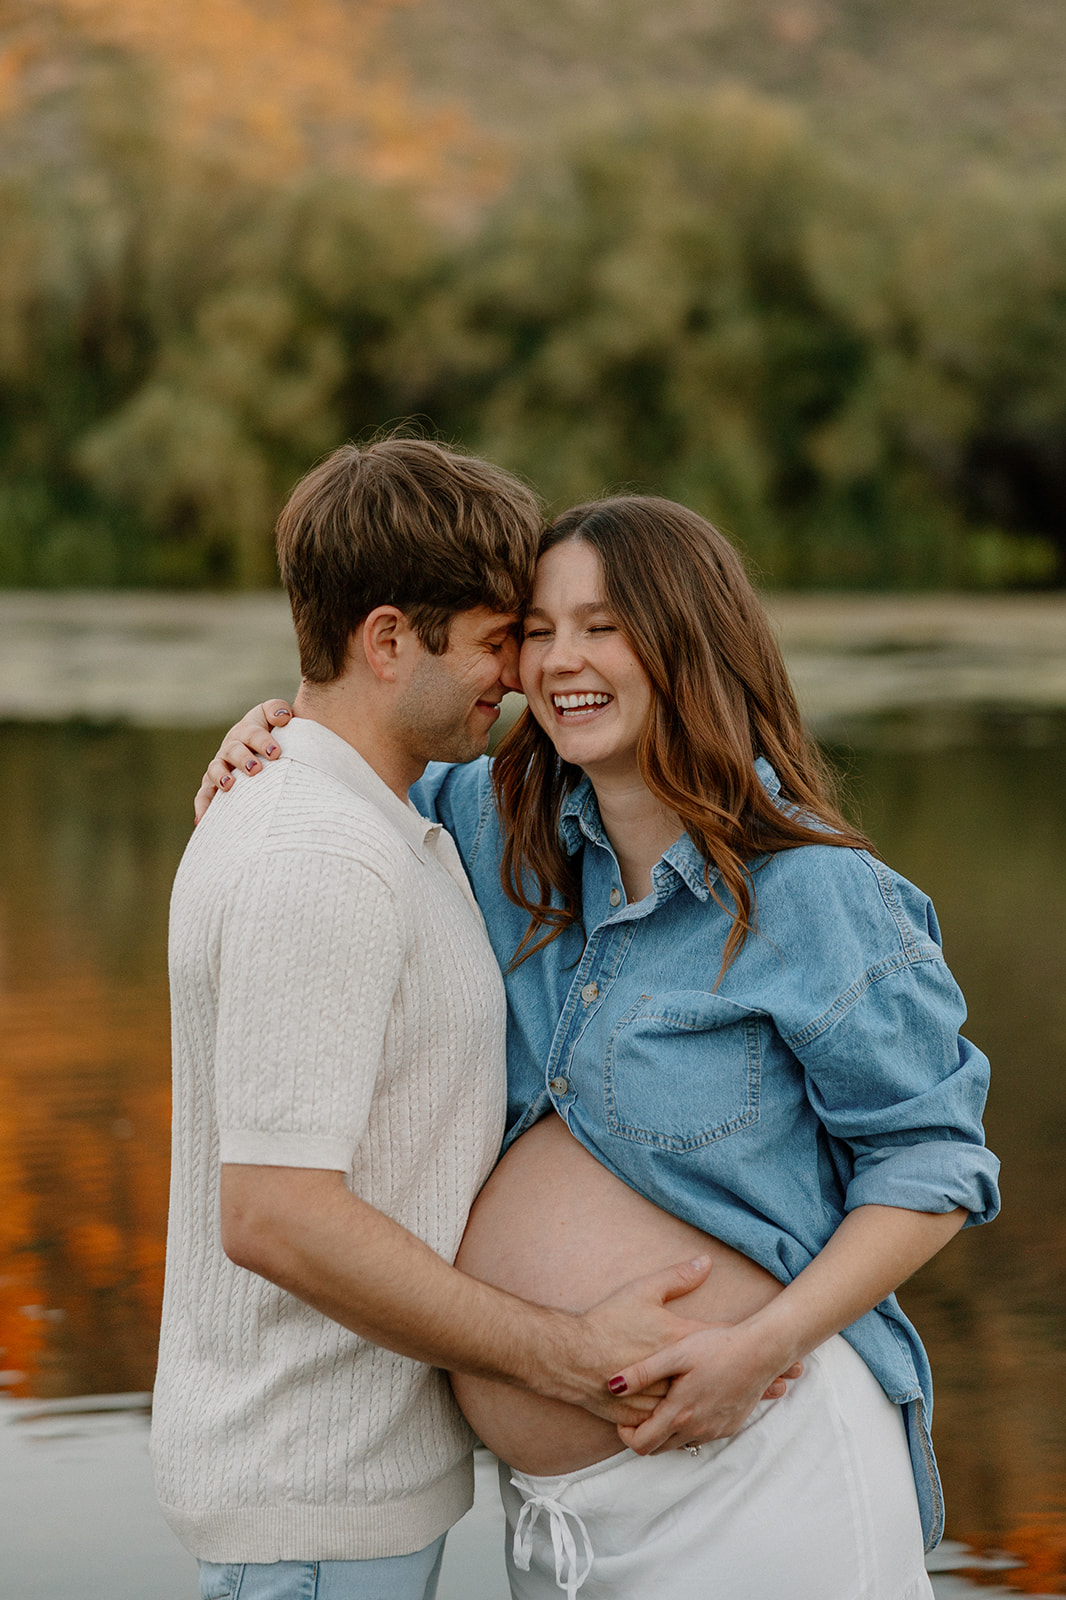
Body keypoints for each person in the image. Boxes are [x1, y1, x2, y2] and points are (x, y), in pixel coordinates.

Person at [202, 493, 1000, 1600]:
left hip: (761, 1471)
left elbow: (931, 1166)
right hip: (562, 1521)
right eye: (536, 627)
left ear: (688, 640)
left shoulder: (811, 891)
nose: (557, 660)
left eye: (603, 625)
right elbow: (357, 743)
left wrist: (758, 1345)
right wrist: (268, 732)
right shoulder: (491, 825)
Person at [156, 445, 741, 1600]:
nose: (515, 677)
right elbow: (275, 1218)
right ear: (386, 642)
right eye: (491, 641)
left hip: (346, 1502)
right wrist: (563, 1355)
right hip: (308, 1510)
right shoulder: (317, 856)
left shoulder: (375, 817)